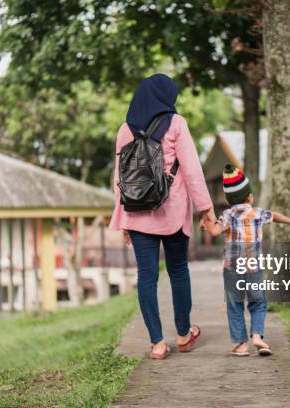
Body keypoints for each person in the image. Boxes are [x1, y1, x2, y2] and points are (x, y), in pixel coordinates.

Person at [109, 73, 215, 360]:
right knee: (178, 271)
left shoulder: (125, 129)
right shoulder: (176, 124)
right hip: (172, 211)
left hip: (137, 213)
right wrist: (207, 209)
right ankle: (183, 334)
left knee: (147, 276)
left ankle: (156, 343)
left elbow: (119, 178)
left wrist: (122, 220)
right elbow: (192, 170)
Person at [202, 164, 290, 356]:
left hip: (232, 268)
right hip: (253, 266)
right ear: (249, 197)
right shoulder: (257, 213)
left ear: (228, 199)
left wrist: (206, 221)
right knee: (258, 302)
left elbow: (214, 231)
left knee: (234, 304)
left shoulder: (228, 215)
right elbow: (275, 216)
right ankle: (257, 336)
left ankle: (241, 344)